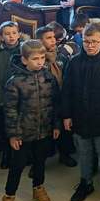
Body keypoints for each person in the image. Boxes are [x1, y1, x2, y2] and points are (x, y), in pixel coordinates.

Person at [0, 40, 60, 201]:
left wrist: (56, 125)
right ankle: (9, 197)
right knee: (17, 166)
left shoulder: (48, 77)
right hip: (23, 132)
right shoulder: (14, 82)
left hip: (44, 130)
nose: (39, 62)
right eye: (35, 59)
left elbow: (56, 103)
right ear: (24, 60)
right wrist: (13, 135)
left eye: (42, 58)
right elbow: (10, 110)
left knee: (40, 162)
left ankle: (38, 188)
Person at [62, 23, 100, 201]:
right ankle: (85, 182)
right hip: (80, 115)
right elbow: (67, 90)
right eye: (87, 41)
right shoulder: (75, 62)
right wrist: (67, 115)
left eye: (94, 42)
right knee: (84, 152)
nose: (90, 45)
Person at [36, 25, 75, 167]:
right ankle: (39, 162)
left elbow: (68, 77)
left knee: (64, 129)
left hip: (61, 98)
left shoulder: (61, 56)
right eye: (48, 38)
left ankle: (65, 155)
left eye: (53, 37)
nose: (53, 40)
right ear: (40, 41)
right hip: (44, 100)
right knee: (44, 132)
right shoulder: (37, 59)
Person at [0, 21, 24, 168]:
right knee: (6, 127)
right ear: (1, 37)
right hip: (4, 97)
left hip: (22, 96)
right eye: (7, 34)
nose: (11, 36)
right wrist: (0, 98)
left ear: (19, 34)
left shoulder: (24, 49)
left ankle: (22, 156)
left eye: (14, 33)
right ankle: (7, 154)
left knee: (23, 126)